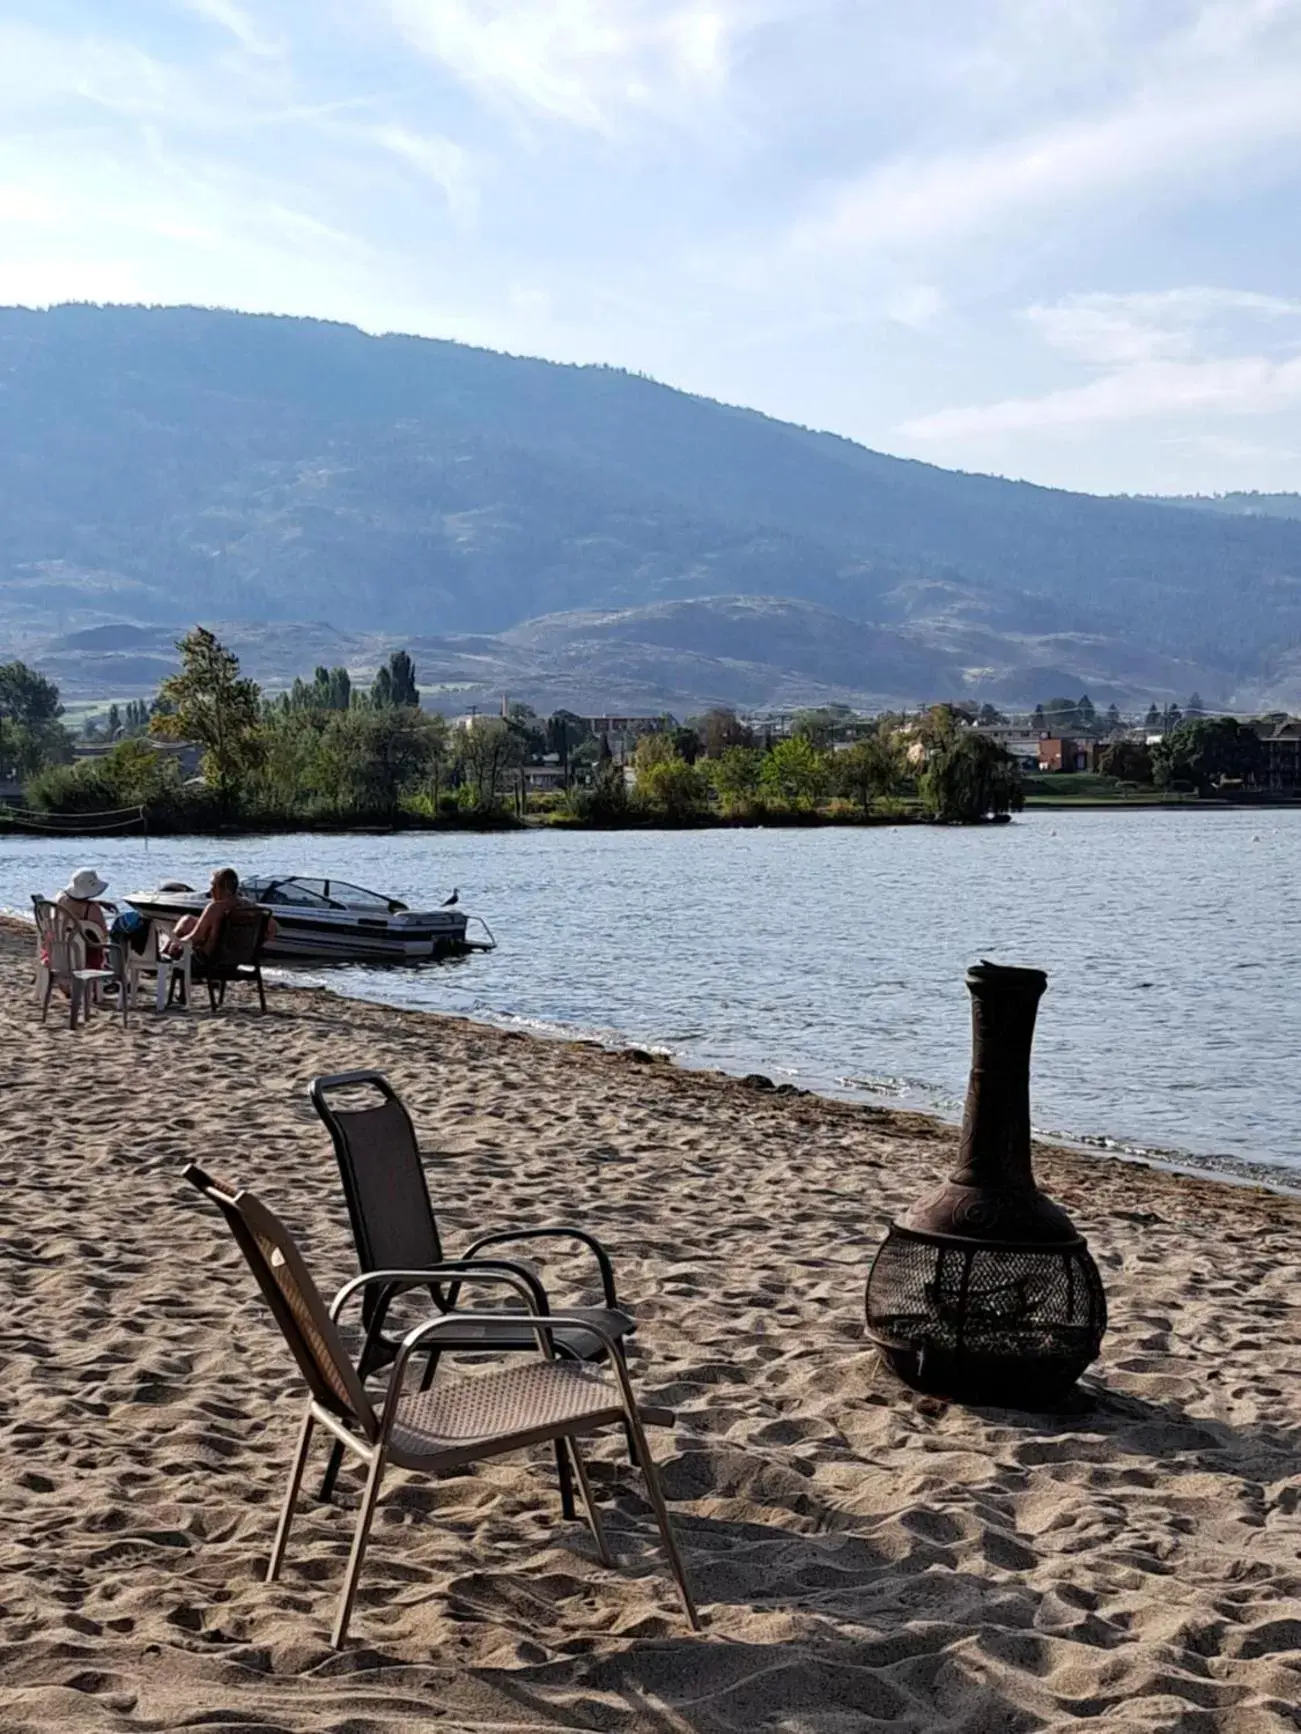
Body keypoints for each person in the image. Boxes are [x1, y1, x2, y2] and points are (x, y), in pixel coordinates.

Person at [164, 868, 276, 958]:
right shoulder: (250, 906)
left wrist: (177, 942)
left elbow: (196, 937)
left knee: (178, 943)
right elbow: (274, 929)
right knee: (188, 920)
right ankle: (162, 952)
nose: (210, 890)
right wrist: (253, 946)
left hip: (210, 960)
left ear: (224, 888)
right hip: (239, 958)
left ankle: (161, 955)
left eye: (213, 885)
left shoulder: (215, 908)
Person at [54, 868, 112, 969]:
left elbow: (75, 903)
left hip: (59, 951)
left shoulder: (60, 900)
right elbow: (103, 935)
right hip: (85, 956)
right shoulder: (92, 909)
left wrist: (99, 902)